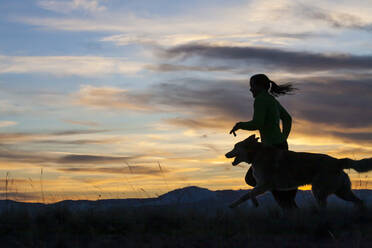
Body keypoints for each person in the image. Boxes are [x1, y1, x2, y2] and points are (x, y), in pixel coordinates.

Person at [229, 74, 298, 209]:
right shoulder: (271, 100)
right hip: (280, 145)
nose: (250, 90)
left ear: (259, 87)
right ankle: (293, 215)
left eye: (252, 86)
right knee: (273, 181)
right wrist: (283, 137)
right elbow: (287, 119)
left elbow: (257, 123)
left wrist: (239, 124)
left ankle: (291, 214)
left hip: (271, 149)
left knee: (253, 178)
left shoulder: (260, 100)